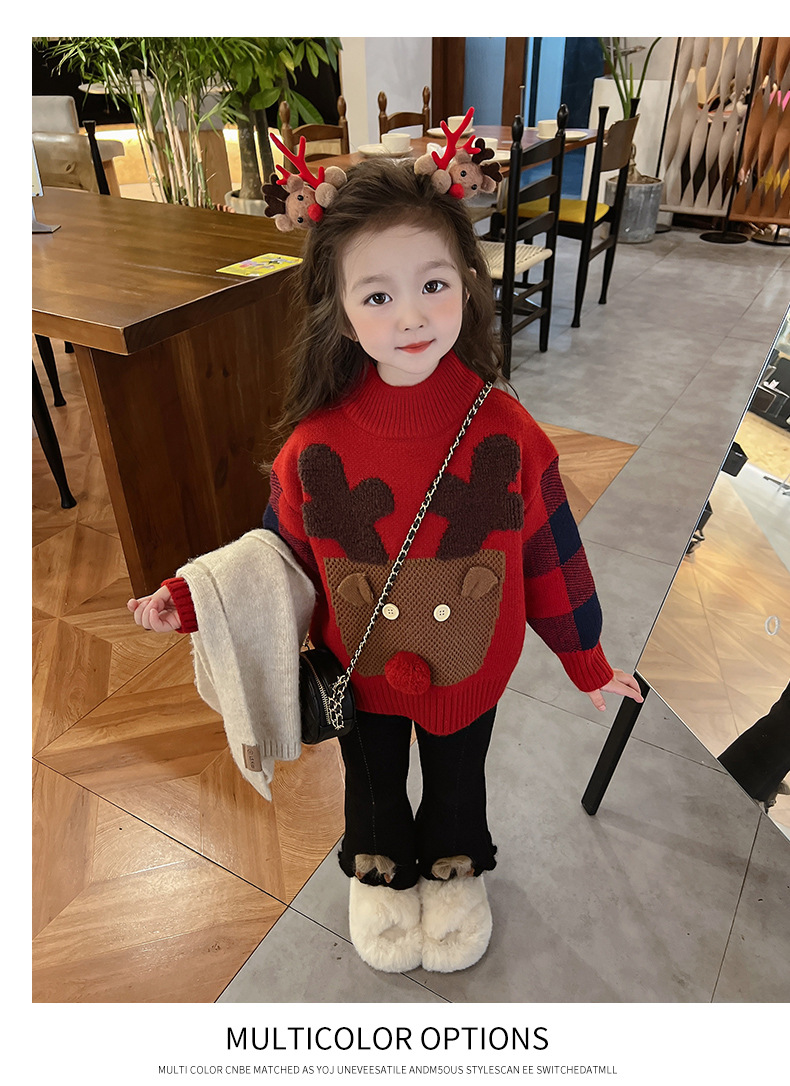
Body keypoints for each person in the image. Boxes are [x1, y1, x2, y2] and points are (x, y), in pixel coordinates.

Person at [128, 154, 642, 975]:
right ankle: (379, 875)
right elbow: (279, 560)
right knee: (370, 786)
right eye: (376, 296)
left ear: (467, 281)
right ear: (338, 312)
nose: (411, 315)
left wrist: (586, 657)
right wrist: (191, 598)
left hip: (471, 670)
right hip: (359, 674)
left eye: (432, 284)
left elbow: (550, 550)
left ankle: (454, 869)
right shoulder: (313, 446)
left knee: (458, 780)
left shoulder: (507, 430)